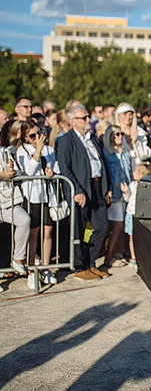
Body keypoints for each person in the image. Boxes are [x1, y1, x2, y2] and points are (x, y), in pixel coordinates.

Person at [56, 104, 113, 281]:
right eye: (84, 117)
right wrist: (76, 190)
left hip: (97, 187)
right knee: (79, 230)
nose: (89, 120)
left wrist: (106, 187)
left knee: (102, 227)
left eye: (88, 117)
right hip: (81, 189)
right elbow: (65, 168)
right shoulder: (66, 140)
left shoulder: (92, 138)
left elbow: (101, 163)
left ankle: (90, 261)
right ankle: (80, 266)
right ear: (73, 121)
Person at [15, 120, 60, 287]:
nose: (36, 138)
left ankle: (46, 267)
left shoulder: (49, 149)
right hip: (32, 196)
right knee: (33, 234)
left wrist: (52, 172)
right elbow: (29, 171)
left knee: (48, 233)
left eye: (38, 134)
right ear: (26, 137)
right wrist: (38, 150)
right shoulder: (22, 150)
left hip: (47, 195)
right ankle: (32, 270)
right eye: (32, 135)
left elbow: (56, 167)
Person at [102, 125, 132, 267]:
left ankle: (117, 252)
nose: (119, 136)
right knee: (117, 225)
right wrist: (107, 189)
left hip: (125, 193)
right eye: (115, 134)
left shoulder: (125, 153)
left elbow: (129, 173)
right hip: (114, 194)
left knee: (121, 226)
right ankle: (109, 255)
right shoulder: (106, 154)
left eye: (121, 134)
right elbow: (106, 174)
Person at [0, 146, 31, 280]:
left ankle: (18, 258)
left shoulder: (4, 151)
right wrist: (2, 175)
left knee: (24, 220)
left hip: (6, 199)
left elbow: (17, 173)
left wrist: (12, 171)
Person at [121, 162, 151, 270]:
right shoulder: (132, 185)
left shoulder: (147, 187)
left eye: (135, 172)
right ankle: (133, 257)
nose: (133, 173)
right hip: (131, 214)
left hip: (142, 215)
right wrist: (126, 193)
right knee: (132, 236)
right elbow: (127, 199)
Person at [114, 103, 151, 169]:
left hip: (138, 169)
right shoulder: (114, 133)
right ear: (118, 116)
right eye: (125, 114)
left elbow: (146, 154)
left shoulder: (139, 132)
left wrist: (136, 142)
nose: (128, 117)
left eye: (130, 114)